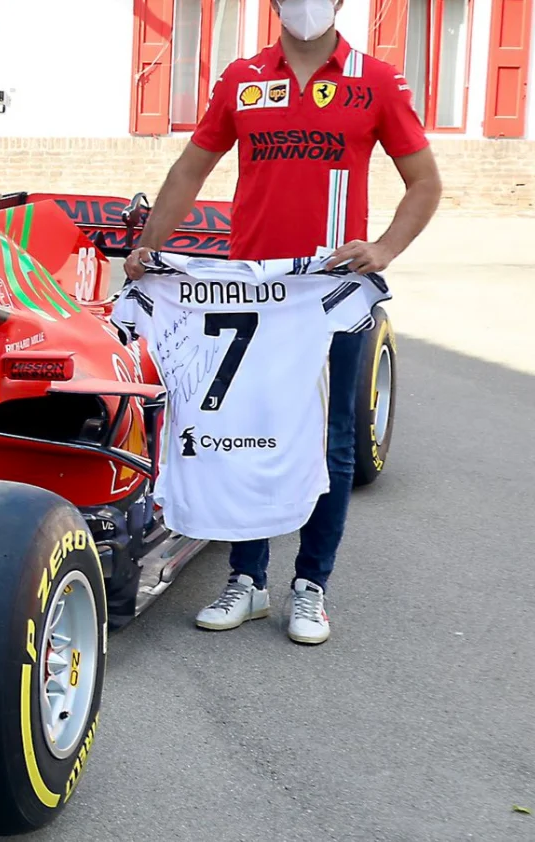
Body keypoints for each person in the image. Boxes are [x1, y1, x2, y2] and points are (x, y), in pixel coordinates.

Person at [123, 0, 440, 644]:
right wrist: (150, 246)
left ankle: (311, 586)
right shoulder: (241, 78)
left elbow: (424, 182)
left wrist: (382, 249)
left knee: (331, 442)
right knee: (252, 429)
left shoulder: (376, 79)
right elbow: (191, 168)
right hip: (254, 294)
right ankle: (247, 579)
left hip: (328, 293)